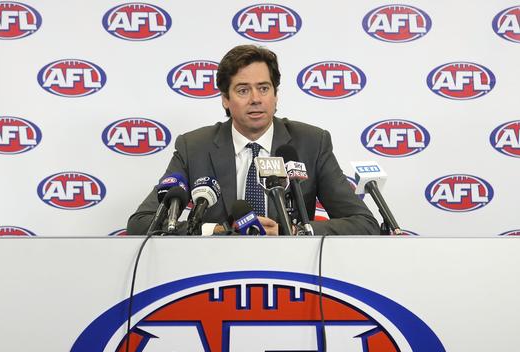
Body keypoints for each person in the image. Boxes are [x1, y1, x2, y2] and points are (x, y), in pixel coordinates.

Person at [127, 45, 379, 236]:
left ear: (276, 95)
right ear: (225, 99)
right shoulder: (194, 147)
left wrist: (290, 230)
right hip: (214, 273)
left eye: (264, 88)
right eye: (243, 90)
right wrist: (217, 231)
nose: (256, 99)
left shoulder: (311, 143)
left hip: (293, 274)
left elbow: (364, 223)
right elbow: (141, 223)